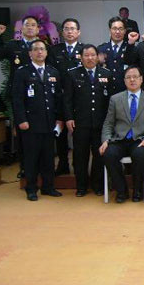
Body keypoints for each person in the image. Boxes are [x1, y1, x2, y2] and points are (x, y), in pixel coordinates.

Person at [0, 16, 40, 178]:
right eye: (27, 25)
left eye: (33, 25)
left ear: (38, 29)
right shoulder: (13, 45)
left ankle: (40, 168)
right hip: (19, 97)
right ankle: (24, 168)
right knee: (22, 135)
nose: (30, 27)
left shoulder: (42, 47)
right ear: (21, 29)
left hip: (39, 96)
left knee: (40, 134)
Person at [11, 39, 64, 201]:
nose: (39, 52)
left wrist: (59, 119)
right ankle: (31, 188)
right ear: (30, 53)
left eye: (42, 49)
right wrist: (21, 119)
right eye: (36, 49)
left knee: (48, 157)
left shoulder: (53, 72)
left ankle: (48, 187)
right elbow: (17, 99)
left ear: (46, 53)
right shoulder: (22, 72)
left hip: (49, 122)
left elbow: (58, 98)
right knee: (31, 158)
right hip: (31, 123)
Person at [99, 66, 144, 203]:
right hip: (119, 140)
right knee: (108, 154)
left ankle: (138, 190)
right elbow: (108, 123)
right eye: (128, 77)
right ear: (124, 80)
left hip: (139, 140)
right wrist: (106, 140)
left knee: (140, 155)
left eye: (135, 77)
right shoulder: (115, 99)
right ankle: (122, 190)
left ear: (141, 79)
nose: (132, 80)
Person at [63, 44, 113, 197]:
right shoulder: (72, 74)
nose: (90, 58)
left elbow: (110, 101)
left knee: (99, 155)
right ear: (81, 57)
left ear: (98, 57)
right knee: (80, 156)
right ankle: (81, 186)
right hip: (80, 122)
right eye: (86, 55)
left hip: (100, 123)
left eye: (93, 55)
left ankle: (98, 185)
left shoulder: (106, 74)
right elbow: (67, 99)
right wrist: (69, 117)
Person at [48, 18, 84, 176]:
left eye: (73, 28)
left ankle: (78, 164)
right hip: (59, 98)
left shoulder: (85, 50)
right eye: (66, 29)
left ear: (78, 32)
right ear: (62, 32)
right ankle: (63, 163)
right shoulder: (54, 50)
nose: (70, 32)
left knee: (78, 134)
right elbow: (50, 73)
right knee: (60, 133)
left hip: (79, 99)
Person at [97, 17, 129, 95]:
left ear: (125, 31)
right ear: (110, 30)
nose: (117, 32)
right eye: (114, 29)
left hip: (124, 92)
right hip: (105, 92)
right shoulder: (101, 49)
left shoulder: (130, 49)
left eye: (121, 29)